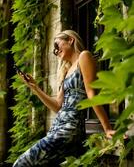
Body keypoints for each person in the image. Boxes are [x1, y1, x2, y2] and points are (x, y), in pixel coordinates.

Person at [13, 30, 115, 167]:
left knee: (21, 163)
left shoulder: (84, 57)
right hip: (57, 127)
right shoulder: (67, 71)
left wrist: (107, 128)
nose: (56, 51)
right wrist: (35, 88)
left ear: (70, 40)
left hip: (70, 128)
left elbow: (91, 95)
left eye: (57, 45)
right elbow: (58, 106)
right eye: (54, 50)